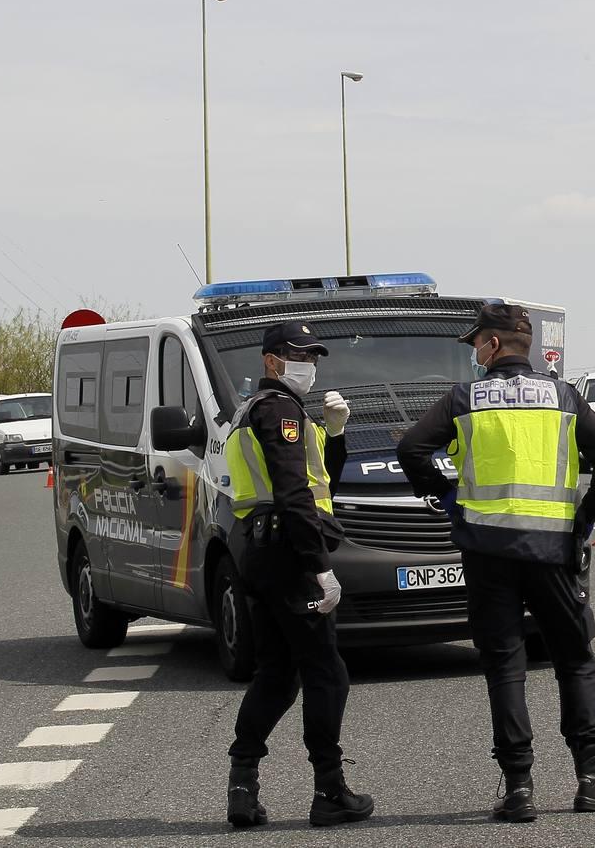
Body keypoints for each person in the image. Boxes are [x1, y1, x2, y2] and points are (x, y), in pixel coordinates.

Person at [396, 304, 595, 823]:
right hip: (552, 551)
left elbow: (412, 447)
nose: (475, 353)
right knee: (574, 659)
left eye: (476, 343)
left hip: (486, 552)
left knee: (504, 666)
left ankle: (519, 786)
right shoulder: (562, 395)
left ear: (494, 346)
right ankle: (591, 778)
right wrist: (586, 518)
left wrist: (446, 496)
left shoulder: (465, 398)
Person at [223, 320, 374, 829]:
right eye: (299, 354)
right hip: (290, 553)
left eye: (313, 355)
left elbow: (316, 476)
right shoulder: (281, 410)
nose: (309, 363)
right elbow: (294, 494)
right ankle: (329, 790)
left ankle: (242, 785)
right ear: (272, 361)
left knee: (277, 674)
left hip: (260, 550)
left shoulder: (255, 410)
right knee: (327, 673)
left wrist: (335, 434)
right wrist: (320, 568)